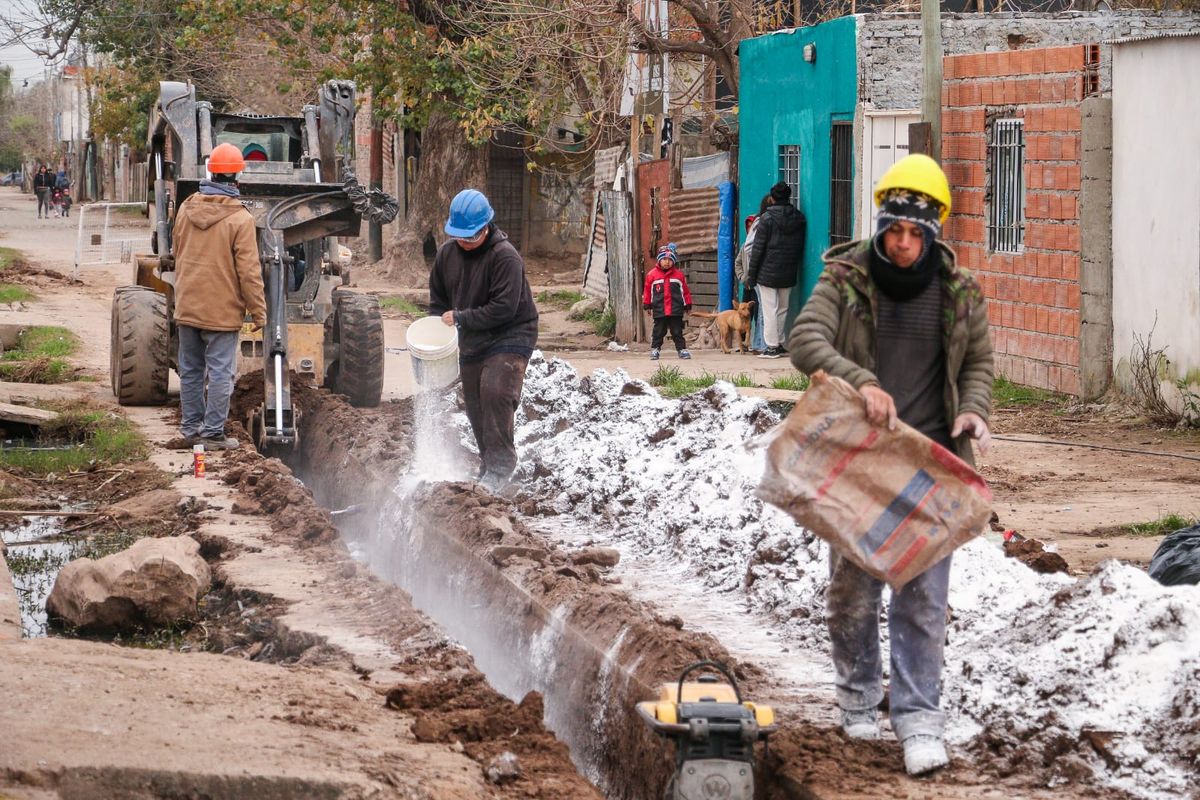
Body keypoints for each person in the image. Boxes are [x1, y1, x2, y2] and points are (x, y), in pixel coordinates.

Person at [788, 154, 994, 777]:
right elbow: (805, 340)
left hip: (931, 466)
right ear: (880, 225)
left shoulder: (960, 292)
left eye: (915, 233)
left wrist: (974, 410)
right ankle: (857, 698)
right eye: (894, 230)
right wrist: (861, 382)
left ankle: (918, 719)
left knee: (923, 600)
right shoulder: (846, 280)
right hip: (861, 466)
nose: (902, 244)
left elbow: (978, 363)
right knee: (853, 591)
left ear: (933, 232)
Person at [429, 188, 538, 490]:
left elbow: (504, 309)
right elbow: (438, 302)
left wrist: (461, 318)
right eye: (459, 236)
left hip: (511, 332)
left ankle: (501, 465)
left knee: (495, 389)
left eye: (471, 236)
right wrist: (437, 333)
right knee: (475, 400)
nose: (465, 242)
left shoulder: (505, 257)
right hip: (473, 336)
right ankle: (488, 464)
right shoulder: (446, 255)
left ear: (486, 227)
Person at [172, 142, 266, 450]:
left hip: (187, 306)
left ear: (210, 172)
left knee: (190, 372)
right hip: (221, 312)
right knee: (221, 374)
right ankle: (213, 433)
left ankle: (190, 430)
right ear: (237, 177)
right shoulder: (241, 219)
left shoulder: (185, 209)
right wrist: (258, 312)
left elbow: (176, 251)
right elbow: (249, 272)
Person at [746, 181, 806, 359]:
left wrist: (752, 275)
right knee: (783, 308)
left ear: (772, 198)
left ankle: (771, 346)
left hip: (767, 270)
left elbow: (757, 249)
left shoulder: (766, 218)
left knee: (769, 308)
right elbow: (799, 245)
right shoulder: (799, 217)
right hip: (789, 268)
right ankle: (779, 342)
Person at [642, 243, 692, 360]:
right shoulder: (652, 275)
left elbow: (684, 291)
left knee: (677, 331)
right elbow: (648, 291)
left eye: (670, 259)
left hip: (675, 309)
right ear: (659, 260)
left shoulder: (679, 275)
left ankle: (681, 349)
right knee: (658, 331)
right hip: (659, 309)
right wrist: (647, 305)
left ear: (673, 261)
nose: (667, 262)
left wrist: (687, 305)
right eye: (664, 259)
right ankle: (655, 349)